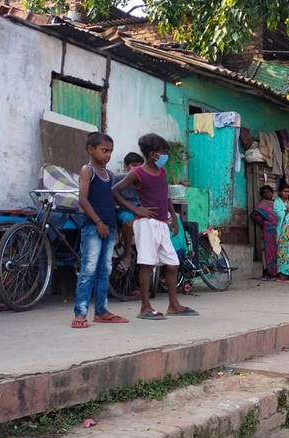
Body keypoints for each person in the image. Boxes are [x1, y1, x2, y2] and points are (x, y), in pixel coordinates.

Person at [113, 133, 198, 320]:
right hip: (146, 223)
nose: (165, 156)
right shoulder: (137, 173)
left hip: (161, 223)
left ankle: (174, 305)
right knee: (147, 265)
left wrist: (174, 218)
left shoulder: (163, 173)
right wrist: (136, 209)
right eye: (163, 152)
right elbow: (115, 191)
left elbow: (165, 195)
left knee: (173, 263)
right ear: (153, 154)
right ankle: (145, 307)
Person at [72, 132, 128, 328]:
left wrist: (114, 226)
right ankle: (80, 314)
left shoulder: (110, 175)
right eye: (104, 151)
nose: (108, 155)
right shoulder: (88, 171)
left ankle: (102, 311)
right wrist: (98, 222)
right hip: (93, 227)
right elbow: (83, 200)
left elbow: (112, 201)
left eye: (111, 151)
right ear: (90, 149)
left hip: (109, 227)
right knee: (88, 269)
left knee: (105, 270)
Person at [111, 151, 144, 271]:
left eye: (140, 165)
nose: (138, 168)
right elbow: (113, 198)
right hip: (124, 210)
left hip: (142, 210)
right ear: (126, 166)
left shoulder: (145, 179)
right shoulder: (118, 179)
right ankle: (127, 254)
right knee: (129, 221)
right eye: (134, 165)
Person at [252, 185, 278, 280]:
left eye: (268, 192)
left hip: (279, 229)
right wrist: (262, 223)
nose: (267, 194)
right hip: (269, 229)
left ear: (272, 192)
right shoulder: (262, 204)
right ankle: (271, 272)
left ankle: (278, 271)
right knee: (270, 251)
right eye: (264, 193)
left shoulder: (276, 203)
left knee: (278, 250)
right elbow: (253, 215)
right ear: (262, 195)